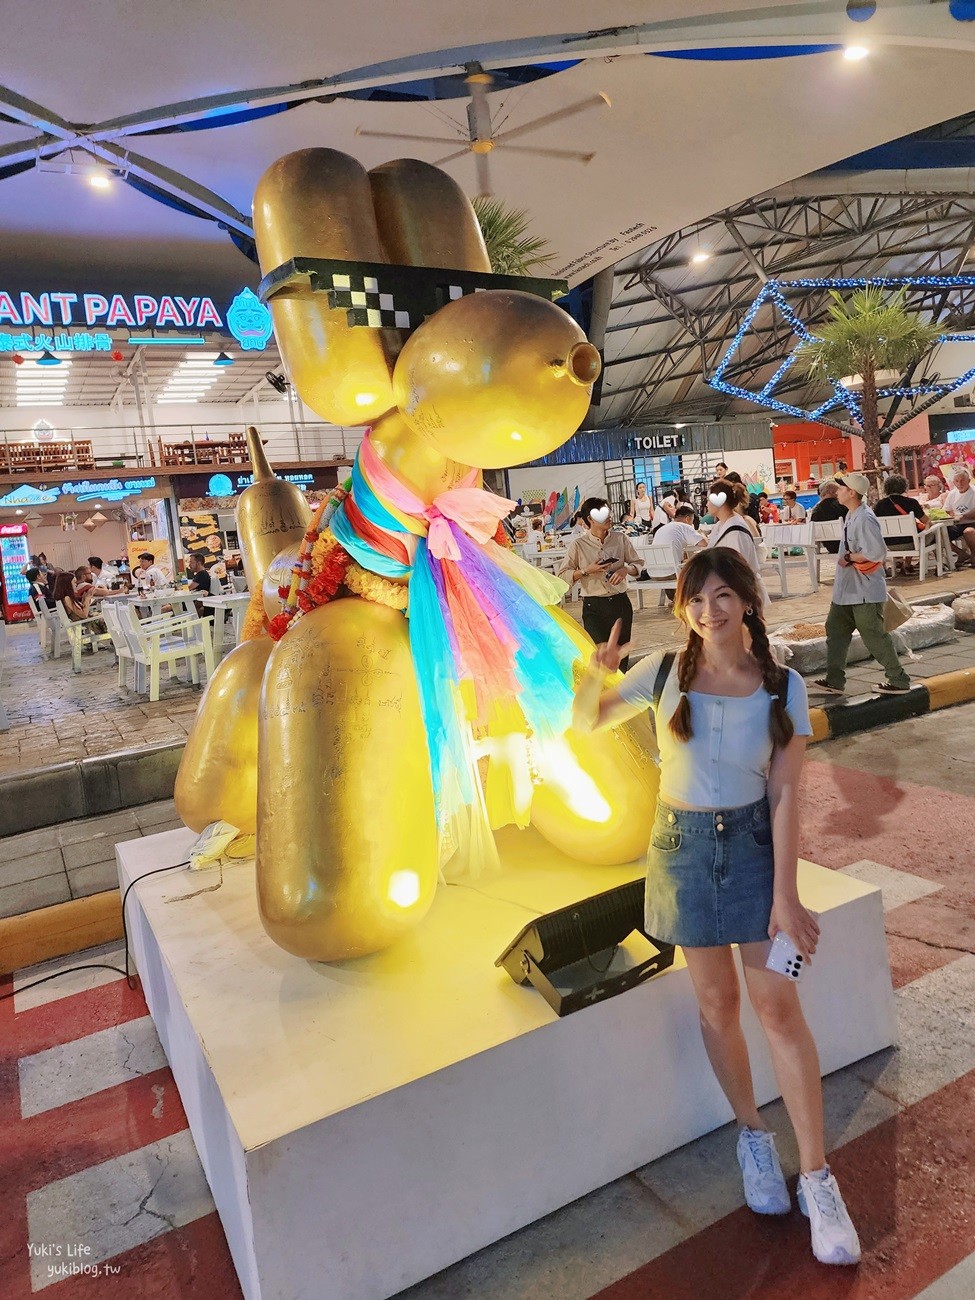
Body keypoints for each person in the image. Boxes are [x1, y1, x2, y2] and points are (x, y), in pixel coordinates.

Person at [573, 548, 861, 1268]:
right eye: (695, 599)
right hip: (681, 851)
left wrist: (784, 895)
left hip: (755, 849)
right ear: (680, 608)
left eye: (723, 595)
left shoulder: (781, 687)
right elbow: (586, 725)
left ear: (747, 602)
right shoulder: (665, 674)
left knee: (777, 1012)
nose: (710, 611)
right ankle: (752, 1138)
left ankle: (819, 1178)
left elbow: (787, 792)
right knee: (715, 1007)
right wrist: (593, 676)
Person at [813, 472, 911, 696]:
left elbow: (876, 552)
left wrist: (849, 558)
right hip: (848, 590)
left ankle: (899, 679)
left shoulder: (865, 518)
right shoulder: (852, 514)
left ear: (852, 493)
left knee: (874, 636)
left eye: (841, 488)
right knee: (835, 630)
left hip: (864, 590)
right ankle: (834, 680)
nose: (837, 492)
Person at [557, 496, 642, 672]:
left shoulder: (620, 539)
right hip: (593, 605)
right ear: (590, 519)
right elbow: (563, 575)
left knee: (621, 658)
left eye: (608, 512)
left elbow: (638, 564)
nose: (609, 516)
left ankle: (620, 694)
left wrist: (625, 570)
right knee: (599, 655)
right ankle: (600, 694)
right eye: (603, 514)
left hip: (620, 603)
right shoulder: (578, 545)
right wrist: (587, 570)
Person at [705, 478, 770, 611]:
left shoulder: (736, 530)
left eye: (708, 500)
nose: (706, 504)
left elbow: (740, 569)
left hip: (742, 596)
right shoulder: (721, 525)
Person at [873, 473, 928, 573]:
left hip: (889, 544)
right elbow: (926, 521)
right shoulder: (911, 502)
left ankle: (902, 563)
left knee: (911, 532)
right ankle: (908, 564)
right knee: (926, 533)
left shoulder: (879, 505)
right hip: (911, 544)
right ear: (904, 486)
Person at [942, 467, 975, 569]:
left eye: (962, 480)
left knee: (969, 532)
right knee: (940, 535)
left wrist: (964, 516)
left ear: (968, 481)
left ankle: (974, 555)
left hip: (972, 522)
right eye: (957, 481)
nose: (960, 483)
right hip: (956, 523)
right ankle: (961, 553)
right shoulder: (952, 494)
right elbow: (946, 510)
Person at [809, 479, 847, 554]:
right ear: (832, 492)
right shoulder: (842, 506)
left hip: (830, 546)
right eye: (838, 491)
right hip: (846, 546)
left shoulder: (816, 510)